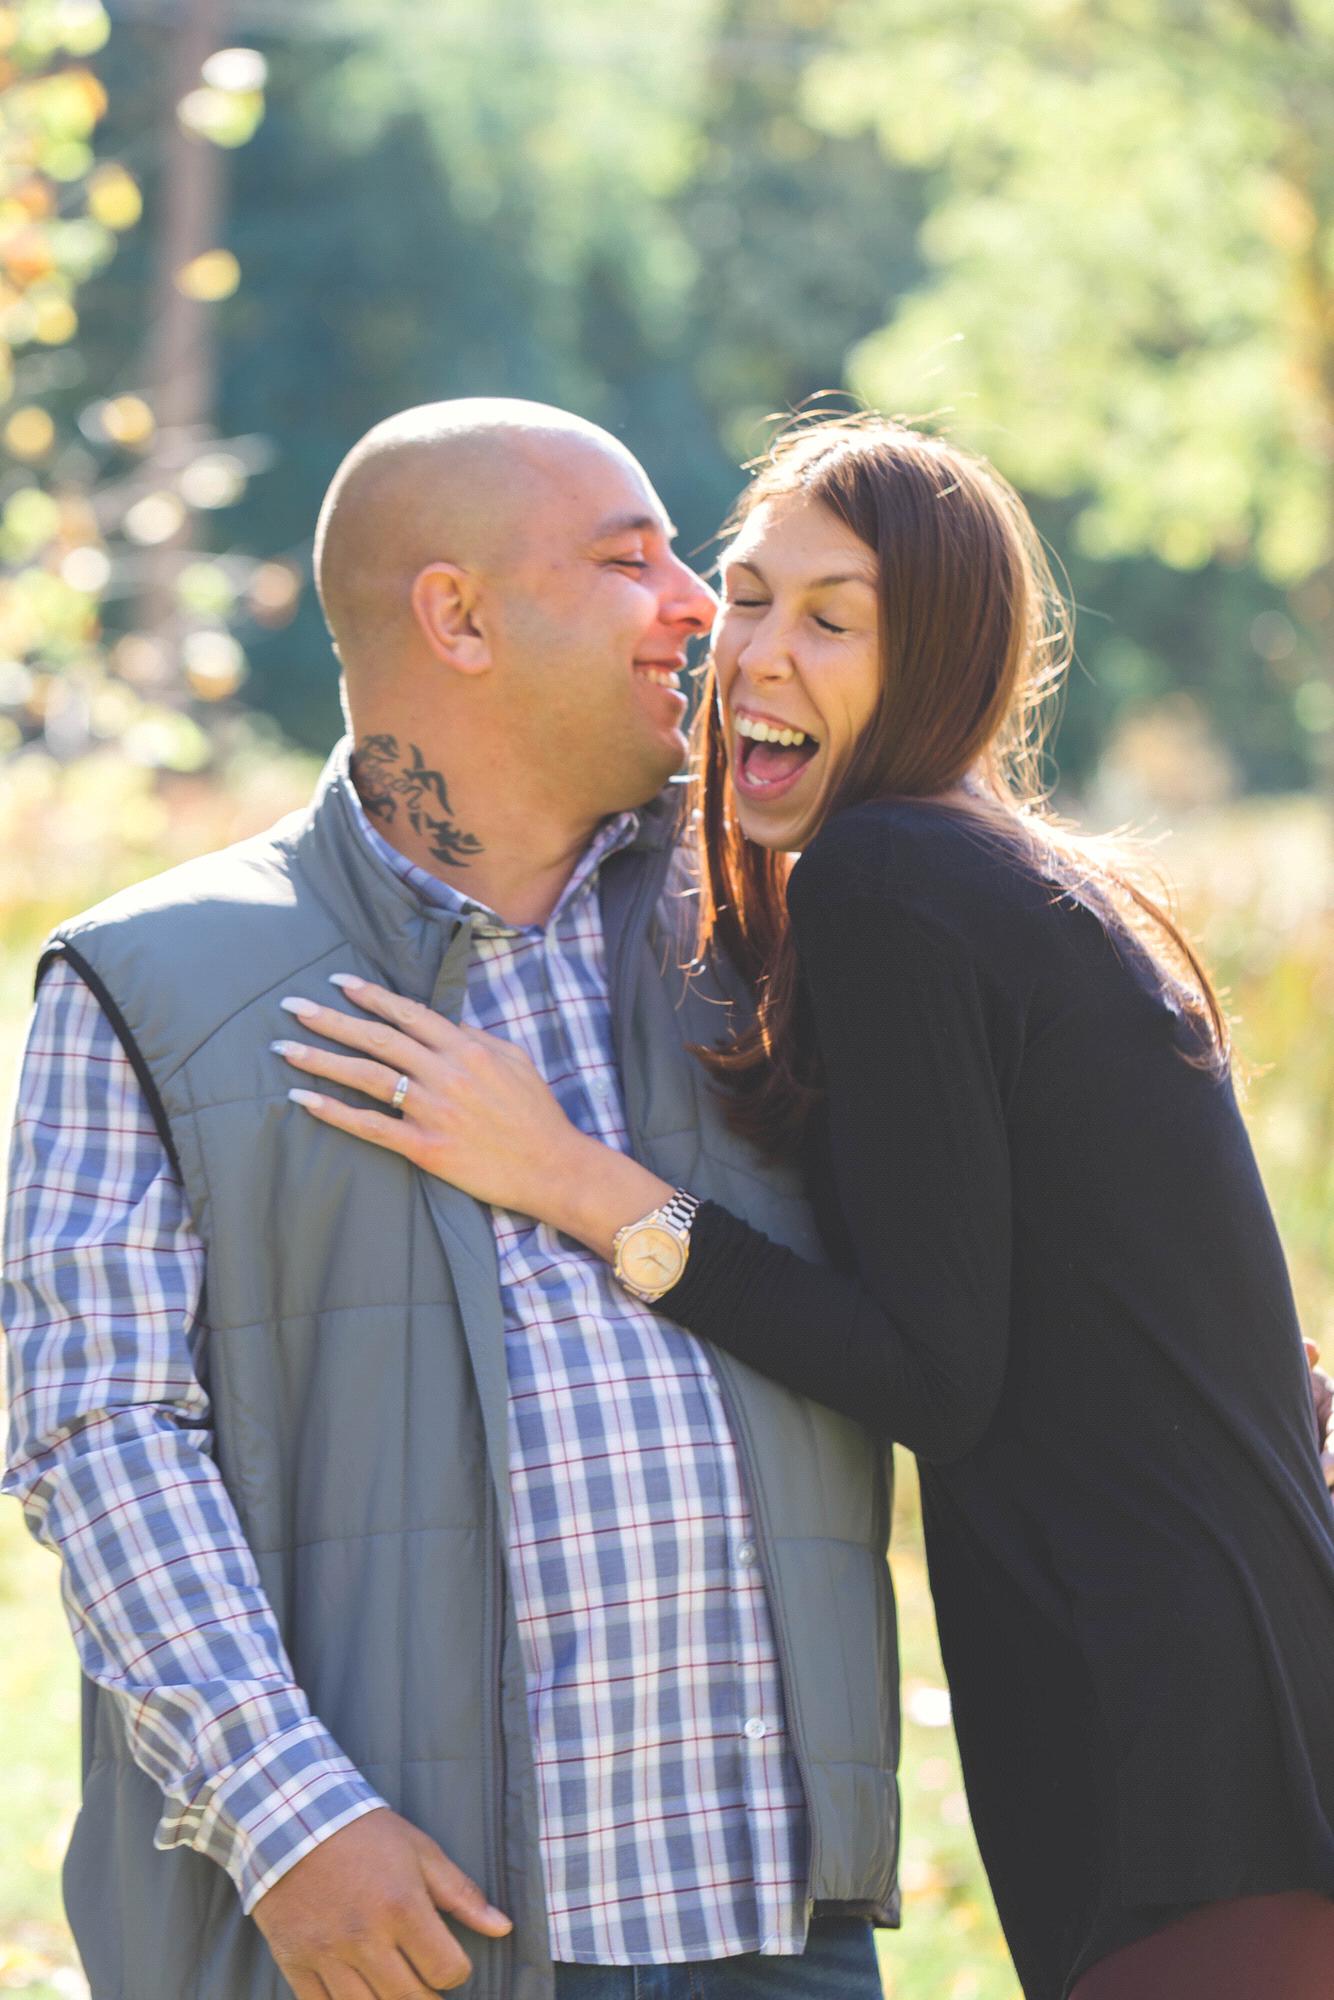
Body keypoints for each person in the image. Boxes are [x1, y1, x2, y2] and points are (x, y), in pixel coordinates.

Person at [275, 416, 1334, 2000]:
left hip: (1166, 1722)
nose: (755, 653)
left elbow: (931, 1374)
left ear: (937, 663)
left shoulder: (887, 880)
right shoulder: (1001, 873)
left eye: (832, 621)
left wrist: (570, 1178)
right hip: (1232, 1677)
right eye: (751, 595)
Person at [0, 401, 902, 2000]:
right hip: (411, 1933)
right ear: (457, 616)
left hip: (777, 1921)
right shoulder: (149, 986)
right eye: (629, 561)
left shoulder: (777, 932)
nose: (697, 605)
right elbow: (100, 1436)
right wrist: (291, 1821)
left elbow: (954, 1302)